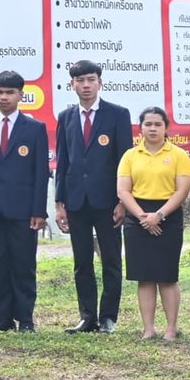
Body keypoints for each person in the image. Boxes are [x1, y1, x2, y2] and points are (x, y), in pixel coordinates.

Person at [54, 59, 134, 333]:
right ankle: (87, 316)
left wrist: (123, 201)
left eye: (91, 80)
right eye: (80, 80)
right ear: (72, 84)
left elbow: (125, 162)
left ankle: (108, 317)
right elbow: (62, 162)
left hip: (108, 201)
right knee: (82, 261)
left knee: (111, 259)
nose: (86, 85)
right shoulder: (65, 117)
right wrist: (59, 203)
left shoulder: (117, 114)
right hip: (76, 200)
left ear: (100, 82)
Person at [0, 70, 49, 332]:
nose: (4, 97)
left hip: (23, 210)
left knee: (24, 264)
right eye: (0, 92)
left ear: (20, 95)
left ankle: (25, 319)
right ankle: (1, 318)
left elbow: (40, 173)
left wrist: (39, 210)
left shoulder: (35, 128)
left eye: (10, 92)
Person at [116, 107, 190, 340]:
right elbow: (123, 191)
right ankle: (148, 329)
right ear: (140, 128)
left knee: (167, 276)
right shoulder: (130, 155)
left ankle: (171, 328)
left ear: (166, 127)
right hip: (137, 217)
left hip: (168, 216)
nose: (152, 128)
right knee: (145, 276)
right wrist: (143, 217)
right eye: (148, 124)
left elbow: (182, 191)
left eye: (158, 124)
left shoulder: (178, 155)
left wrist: (159, 215)